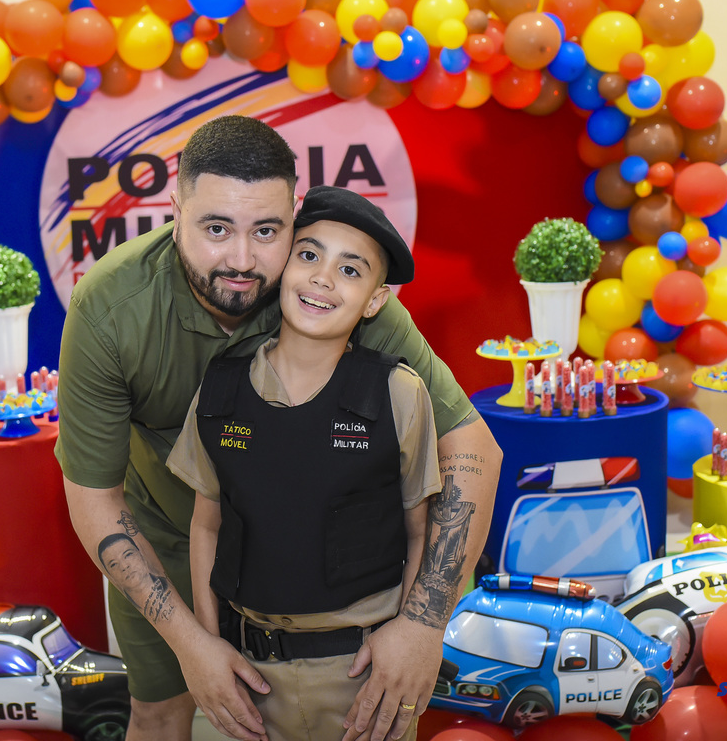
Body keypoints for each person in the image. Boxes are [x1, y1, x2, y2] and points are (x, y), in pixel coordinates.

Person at [56, 115, 502, 741]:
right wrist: (192, 642)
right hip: (171, 539)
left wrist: (424, 623)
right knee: (158, 711)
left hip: (330, 554)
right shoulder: (110, 308)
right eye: (216, 228)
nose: (242, 260)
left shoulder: (326, 288)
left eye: (266, 231)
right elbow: (93, 497)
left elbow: (471, 445)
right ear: (175, 213)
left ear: (293, 220)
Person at [167, 185, 453, 741]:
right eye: (309, 255)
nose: (323, 278)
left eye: (350, 270)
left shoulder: (396, 392)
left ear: (374, 301)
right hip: (252, 675)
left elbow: (421, 530)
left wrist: (412, 633)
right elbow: (206, 524)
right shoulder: (221, 388)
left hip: (362, 675)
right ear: (282, 268)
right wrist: (208, 643)